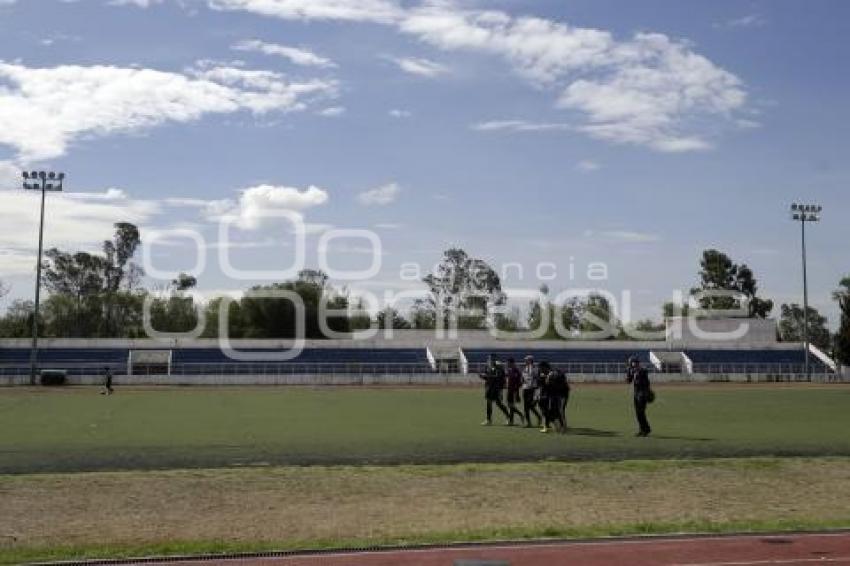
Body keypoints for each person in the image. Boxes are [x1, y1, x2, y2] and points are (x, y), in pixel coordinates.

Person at [478, 356, 510, 425]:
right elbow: (489, 378)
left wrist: (486, 376)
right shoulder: (488, 367)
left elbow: (497, 377)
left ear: (493, 359)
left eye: (490, 359)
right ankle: (489, 420)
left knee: (499, 404)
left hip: (496, 388)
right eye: (489, 359)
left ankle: (508, 417)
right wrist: (483, 377)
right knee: (489, 403)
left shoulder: (498, 367)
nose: (489, 360)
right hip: (489, 387)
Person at [626, 357, 652, 436]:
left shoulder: (642, 370)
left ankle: (646, 429)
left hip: (642, 394)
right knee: (638, 413)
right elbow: (628, 381)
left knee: (641, 412)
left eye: (632, 363)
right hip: (636, 394)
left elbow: (645, 380)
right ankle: (643, 429)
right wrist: (629, 373)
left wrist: (635, 372)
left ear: (636, 363)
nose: (631, 364)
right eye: (630, 363)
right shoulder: (632, 371)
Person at [521, 355, 542, 428]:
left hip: (532, 389)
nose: (525, 361)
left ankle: (539, 417)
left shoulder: (535, 368)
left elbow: (537, 378)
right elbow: (523, 378)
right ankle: (528, 423)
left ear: (530, 360)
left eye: (526, 360)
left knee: (530, 405)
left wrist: (536, 388)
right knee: (525, 407)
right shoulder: (525, 369)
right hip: (525, 389)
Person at [504, 358, 525, 426]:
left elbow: (520, 382)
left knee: (511, 405)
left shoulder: (516, 370)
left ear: (512, 363)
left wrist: (516, 390)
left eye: (508, 363)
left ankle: (517, 416)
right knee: (510, 406)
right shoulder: (509, 370)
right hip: (509, 390)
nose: (507, 364)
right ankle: (512, 420)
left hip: (514, 391)